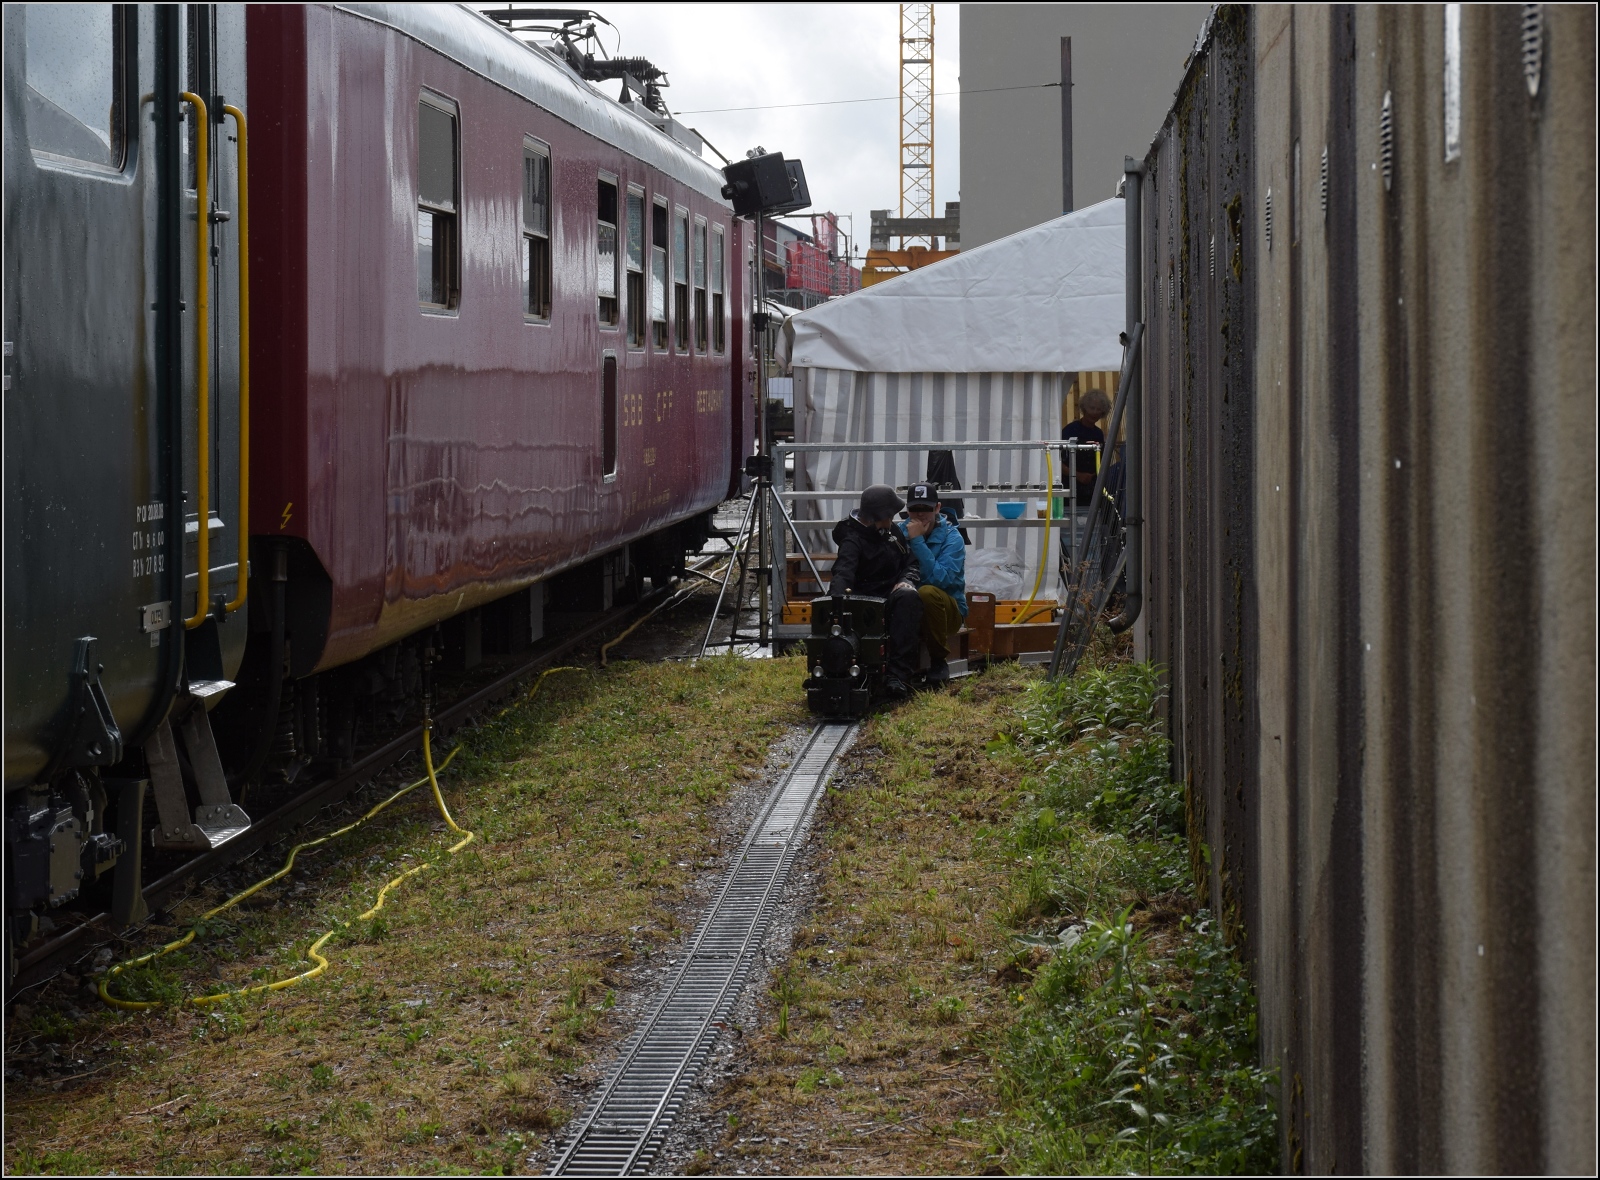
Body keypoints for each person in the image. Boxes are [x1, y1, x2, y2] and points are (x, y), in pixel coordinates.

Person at [829, 483, 922, 698]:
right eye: (889, 516)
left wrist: (907, 580)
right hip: (864, 603)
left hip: (892, 596)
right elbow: (843, 572)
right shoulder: (852, 540)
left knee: (909, 598)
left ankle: (897, 676)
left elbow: (911, 562)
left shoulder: (892, 532)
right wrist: (837, 602)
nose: (892, 520)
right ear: (876, 517)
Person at [897, 483, 967, 683]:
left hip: (947, 611)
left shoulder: (953, 538)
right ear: (907, 510)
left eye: (926, 509)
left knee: (927, 592)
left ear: (937, 508)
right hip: (907, 606)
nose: (920, 515)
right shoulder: (897, 534)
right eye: (915, 509)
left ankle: (938, 660)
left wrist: (917, 541)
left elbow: (941, 580)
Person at [1061, 388, 1111, 506]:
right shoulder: (1070, 430)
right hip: (1070, 487)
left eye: (1098, 409)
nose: (1094, 412)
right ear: (1084, 409)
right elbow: (1056, 461)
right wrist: (1078, 475)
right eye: (1092, 408)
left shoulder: (1098, 434)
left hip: (1092, 490)